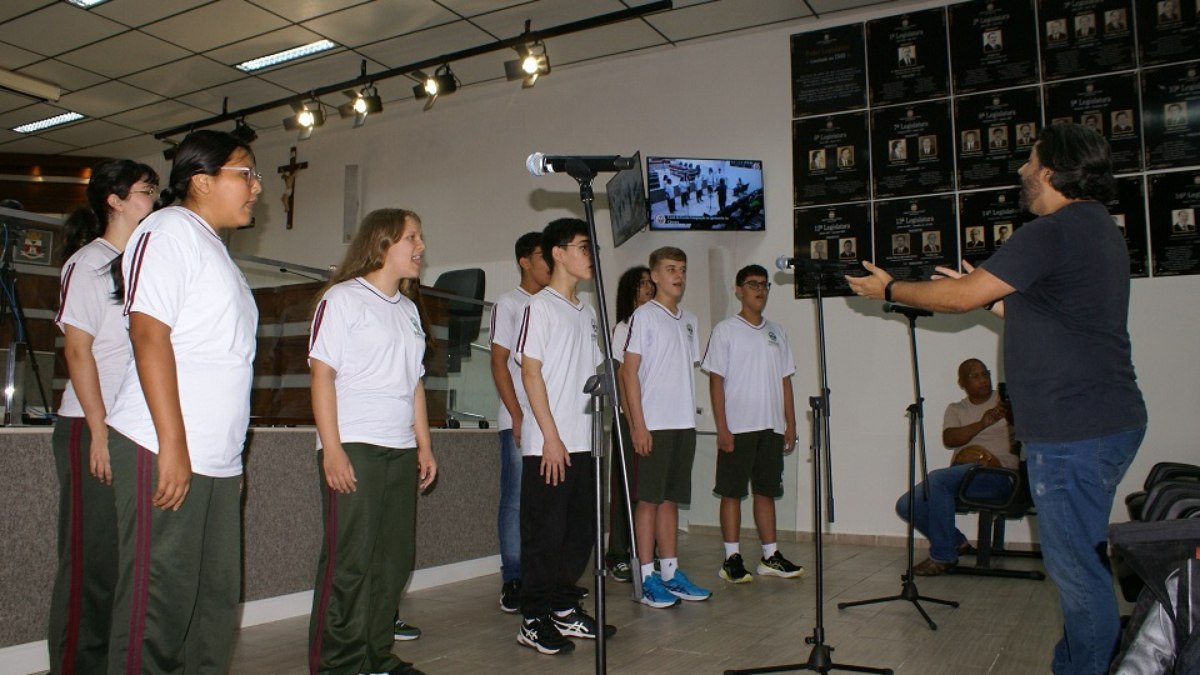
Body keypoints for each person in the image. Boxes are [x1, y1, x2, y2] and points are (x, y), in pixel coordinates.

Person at [847, 123, 1147, 675]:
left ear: (1052, 171)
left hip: (1073, 431)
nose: (1020, 169)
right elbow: (1055, 316)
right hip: (1106, 421)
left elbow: (960, 298)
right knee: (1080, 562)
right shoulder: (1097, 227)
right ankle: (1076, 664)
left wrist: (888, 289)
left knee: (1077, 572)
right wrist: (991, 296)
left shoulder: (1051, 230)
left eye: (1029, 160)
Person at [105, 130, 261, 674]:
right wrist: (173, 444)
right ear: (201, 180)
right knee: (159, 604)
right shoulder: (167, 229)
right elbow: (149, 337)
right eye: (246, 173)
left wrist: (229, 459)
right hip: (163, 446)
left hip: (214, 461)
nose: (257, 187)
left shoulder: (218, 253)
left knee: (213, 605)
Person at [307, 209, 437, 675]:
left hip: (400, 449)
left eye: (421, 237)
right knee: (350, 565)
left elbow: (415, 384)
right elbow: (321, 375)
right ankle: (338, 665)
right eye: (412, 237)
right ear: (383, 243)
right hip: (356, 446)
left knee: (393, 563)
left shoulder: (408, 310)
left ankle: (376, 656)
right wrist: (334, 448)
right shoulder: (342, 300)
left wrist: (423, 445)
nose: (421, 246)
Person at [48, 159, 157, 675]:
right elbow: (78, 353)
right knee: (91, 563)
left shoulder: (145, 265)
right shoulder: (87, 263)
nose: (152, 200)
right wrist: (97, 433)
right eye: (143, 192)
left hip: (131, 429)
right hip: (90, 427)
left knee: (123, 565)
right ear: (113, 200)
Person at [515, 218, 612, 654]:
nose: (589, 256)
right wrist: (550, 438)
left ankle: (563, 608)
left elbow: (589, 374)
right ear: (557, 253)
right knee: (545, 536)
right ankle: (533, 618)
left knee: (578, 535)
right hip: (549, 446)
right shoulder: (540, 307)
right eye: (582, 247)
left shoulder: (587, 311)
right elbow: (530, 371)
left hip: (585, 442)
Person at [702, 265, 804, 584]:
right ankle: (731, 558)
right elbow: (716, 382)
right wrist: (722, 427)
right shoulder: (725, 330)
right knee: (732, 493)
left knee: (766, 491)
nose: (759, 290)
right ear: (739, 290)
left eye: (764, 285)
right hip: (738, 427)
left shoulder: (778, 332)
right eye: (752, 284)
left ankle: (770, 556)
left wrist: (790, 424)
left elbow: (785, 381)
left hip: (771, 427)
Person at [621, 246, 711, 608]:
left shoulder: (689, 321)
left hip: (683, 424)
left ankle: (671, 573)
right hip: (653, 424)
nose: (679, 276)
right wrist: (637, 425)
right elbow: (628, 372)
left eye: (683, 270)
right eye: (671, 269)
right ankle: (646, 577)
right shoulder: (643, 317)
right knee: (648, 500)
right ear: (654, 275)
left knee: (671, 499)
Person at [896, 359, 1017, 575]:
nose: (983, 380)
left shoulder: (1007, 402)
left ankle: (943, 557)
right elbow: (950, 439)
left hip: (999, 475)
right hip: (964, 474)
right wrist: (983, 423)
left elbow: (1025, 435)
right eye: (975, 376)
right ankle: (957, 542)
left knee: (938, 479)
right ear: (962, 382)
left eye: (985, 374)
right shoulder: (956, 409)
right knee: (906, 504)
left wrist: (1012, 415)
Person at [489, 231, 552, 613]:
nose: (550, 263)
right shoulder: (509, 304)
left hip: (550, 425)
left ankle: (543, 577)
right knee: (515, 501)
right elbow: (498, 363)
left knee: (545, 503)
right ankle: (513, 577)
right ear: (524, 261)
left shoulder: (553, 305)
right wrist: (516, 414)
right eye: (543, 256)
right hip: (519, 419)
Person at [605, 266, 655, 583]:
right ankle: (619, 554)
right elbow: (623, 374)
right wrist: (629, 417)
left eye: (651, 283)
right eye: (642, 284)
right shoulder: (624, 327)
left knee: (649, 488)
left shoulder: (657, 323)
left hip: (656, 419)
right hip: (629, 418)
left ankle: (648, 549)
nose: (649, 288)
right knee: (626, 486)